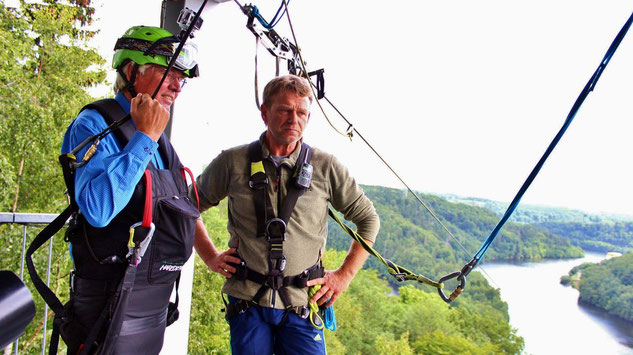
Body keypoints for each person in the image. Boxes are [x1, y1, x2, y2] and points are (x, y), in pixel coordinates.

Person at [192, 74, 380, 354]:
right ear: (265, 112)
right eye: (285, 110)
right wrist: (209, 256)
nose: (294, 119)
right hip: (248, 300)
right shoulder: (233, 162)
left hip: (302, 302)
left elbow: (369, 220)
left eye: (302, 112)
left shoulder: (325, 167)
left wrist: (343, 276)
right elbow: (186, 207)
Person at [60, 25, 200, 354]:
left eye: (182, 77)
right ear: (131, 70)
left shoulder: (158, 137)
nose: (177, 86)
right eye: (169, 73)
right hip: (104, 293)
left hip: (149, 291)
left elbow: (182, 204)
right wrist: (144, 139)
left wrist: (210, 254)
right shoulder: (94, 124)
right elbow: (96, 210)